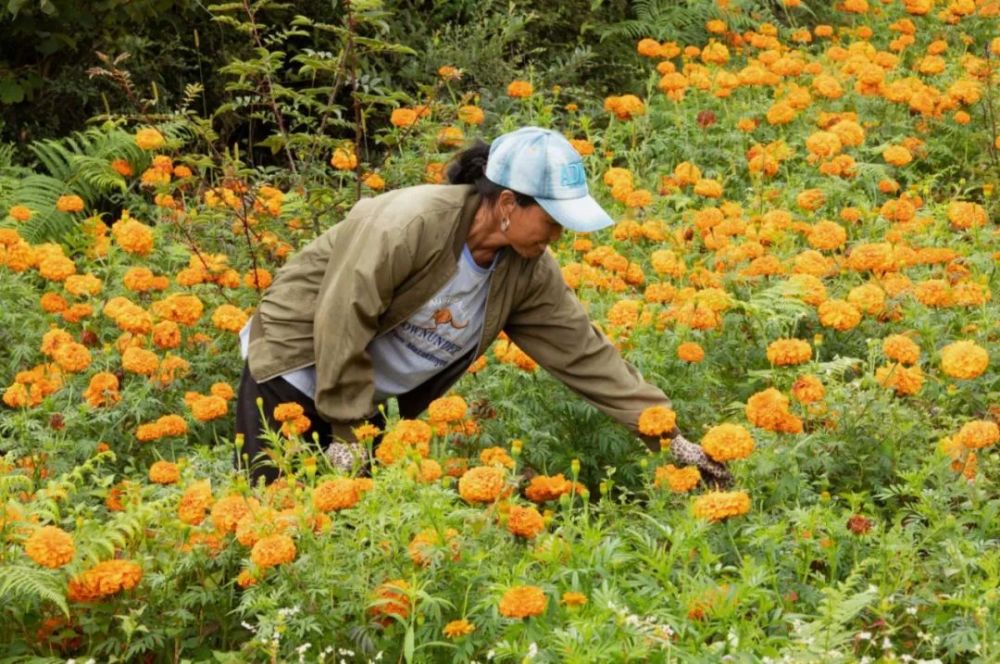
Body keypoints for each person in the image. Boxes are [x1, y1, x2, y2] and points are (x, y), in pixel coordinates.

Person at [235, 126, 730, 486]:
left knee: (353, 540)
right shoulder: (407, 224)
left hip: (360, 404)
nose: (560, 234)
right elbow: (343, 318)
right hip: (293, 372)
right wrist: (349, 436)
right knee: (280, 521)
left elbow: (585, 355)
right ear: (510, 204)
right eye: (554, 219)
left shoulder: (527, 270)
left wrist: (669, 435)